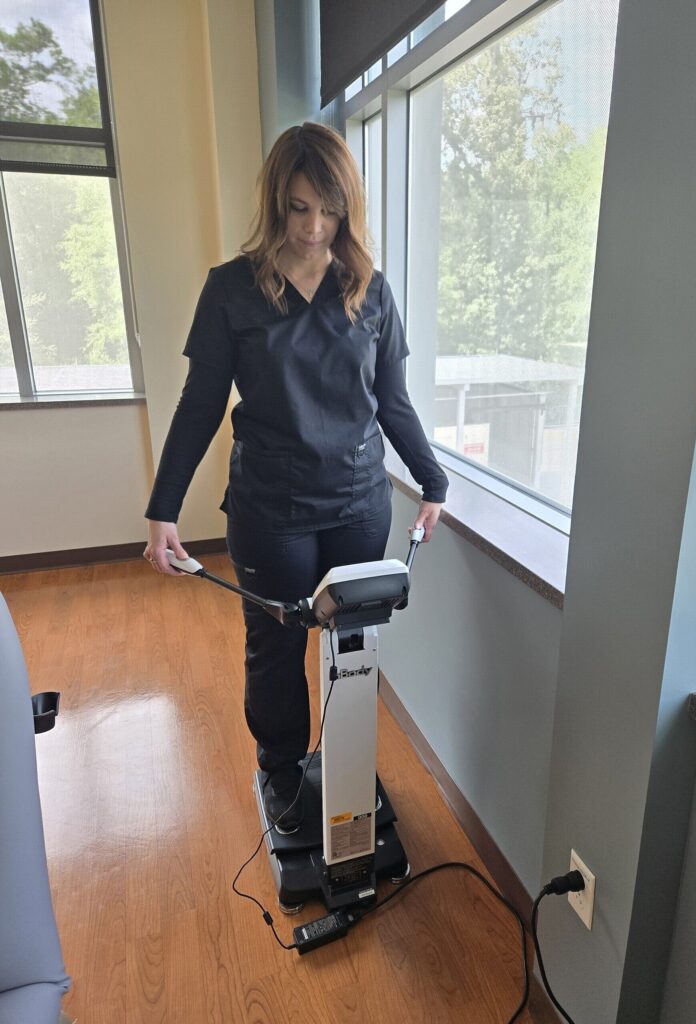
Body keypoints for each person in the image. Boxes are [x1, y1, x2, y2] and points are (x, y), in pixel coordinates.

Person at [143, 122, 448, 834]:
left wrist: (432, 483)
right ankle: (281, 770)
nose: (314, 228)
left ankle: (344, 762)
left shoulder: (370, 291)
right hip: (270, 508)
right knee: (276, 646)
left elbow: (392, 401)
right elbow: (199, 408)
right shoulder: (231, 291)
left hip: (357, 502)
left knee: (352, 645)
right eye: (300, 207)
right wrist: (164, 510)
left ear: (348, 210)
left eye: (331, 210)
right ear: (277, 201)